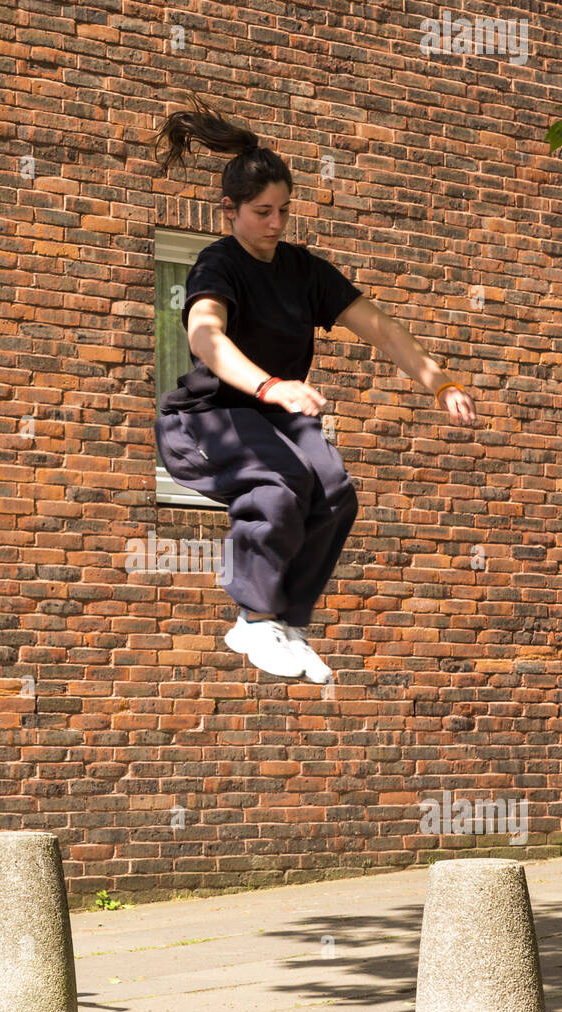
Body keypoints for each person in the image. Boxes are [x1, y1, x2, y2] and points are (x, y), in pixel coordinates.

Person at [152, 95, 478, 681]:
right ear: (229, 210)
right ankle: (251, 620)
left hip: (274, 417)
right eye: (261, 212)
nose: (275, 225)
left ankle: (284, 623)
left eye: (283, 211)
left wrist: (439, 381)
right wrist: (272, 385)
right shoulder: (216, 265)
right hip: (208, 420)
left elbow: (377, 325)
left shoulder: (304, 271)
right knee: (281, 489)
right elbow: (206, 338)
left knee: (333, 492)